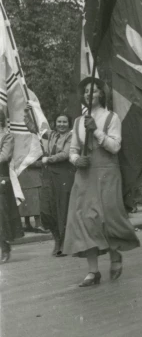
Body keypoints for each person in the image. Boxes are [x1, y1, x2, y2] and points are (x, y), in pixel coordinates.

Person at [63, 77, 140, 287]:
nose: (89, 94)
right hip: (85, 174)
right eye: (86, 91)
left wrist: (96, 130)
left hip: (107, 172)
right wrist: (77, 159)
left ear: (101, 94)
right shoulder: (78, 121)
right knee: (85, 220)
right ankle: (93, 271)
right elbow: (73, 149)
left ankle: (115, 257)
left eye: (94, 91)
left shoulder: (111, 117)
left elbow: (115, 147)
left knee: (108, 217)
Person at [25, 107, 75, 256]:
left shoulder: (71, 136)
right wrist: (28, 114)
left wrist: (49, 159)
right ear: (55, 123)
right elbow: (34, 129)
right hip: (48, 176)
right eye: (59, 121)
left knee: (62, 210)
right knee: (46, 210)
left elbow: (66, 153)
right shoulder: (51, 135)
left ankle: (63, 243)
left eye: (64, 122)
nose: (61, 124)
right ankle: (56, 238)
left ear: (69, 123)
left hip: (64, 175)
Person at [0, 109, 24, 263]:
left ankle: (4, 247)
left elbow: (4, 157)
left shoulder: (6, 136)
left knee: (1, 216)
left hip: (1, 178)